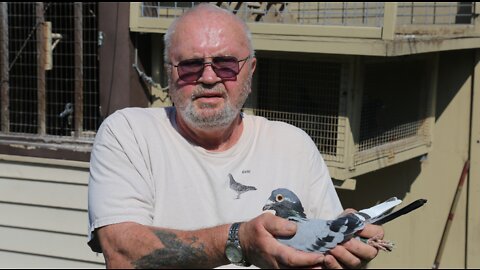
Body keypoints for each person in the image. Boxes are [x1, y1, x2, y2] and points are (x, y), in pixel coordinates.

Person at [88, 3, 384, 268]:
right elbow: (120, 252)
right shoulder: (129, 132)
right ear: (169, 73)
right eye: (190, 66)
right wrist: (237, 241)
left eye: (225, 65)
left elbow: (325, 251)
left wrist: (349, 254)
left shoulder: (293, 145)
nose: (208, 77)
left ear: (250, 72)